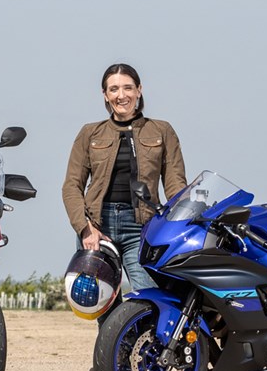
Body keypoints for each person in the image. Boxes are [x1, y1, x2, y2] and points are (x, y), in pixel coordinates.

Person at [62, 63, 187, 298]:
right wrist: (85, 228)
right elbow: (71, 186)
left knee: (148, 299)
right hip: (97, 226)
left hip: (142, 228)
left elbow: (175, 184)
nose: (122, 95)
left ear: (139, 90)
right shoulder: (89, 133)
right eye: (114, 89)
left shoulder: (161, 131)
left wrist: (182, 219)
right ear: (105, 95)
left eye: (128, 88)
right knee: (98, 302)